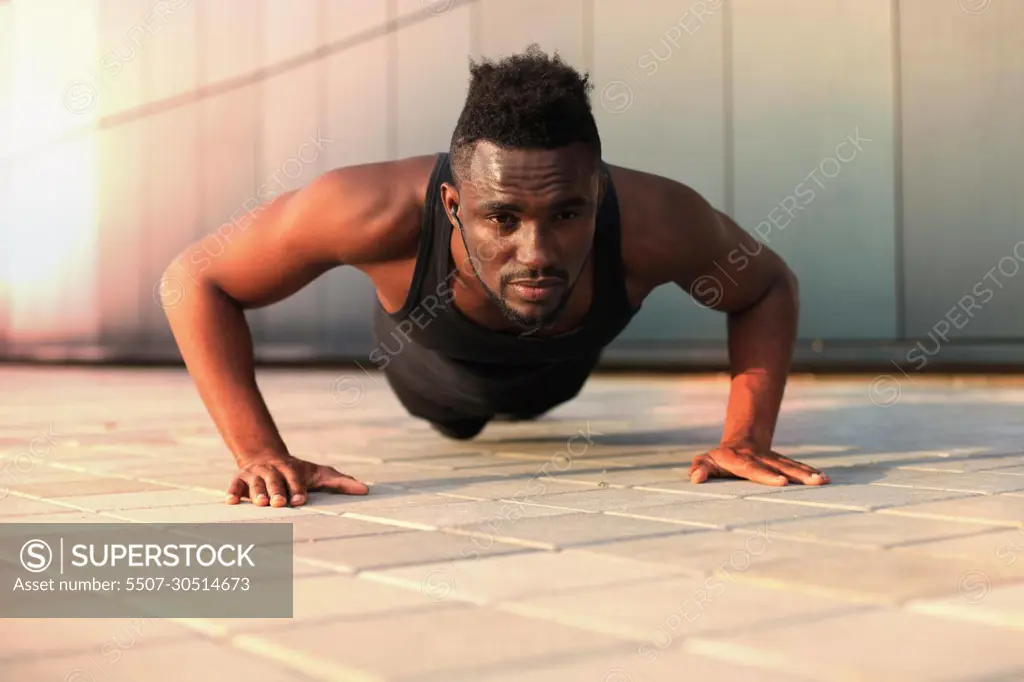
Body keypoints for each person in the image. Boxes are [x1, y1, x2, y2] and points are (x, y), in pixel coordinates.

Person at [162, 46, 830, 509]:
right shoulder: (370, 211)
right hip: (432, 382)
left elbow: (767, 287)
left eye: (567, 213)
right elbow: (194, 279)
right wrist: (258, 452)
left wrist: (746, 438)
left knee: (539, 385)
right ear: (453, 205)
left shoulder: (660, 220)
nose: (536, 252)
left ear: (597, 195)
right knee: (458, 424)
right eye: (502, 218)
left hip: (559, 378)